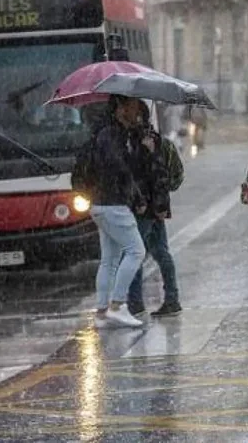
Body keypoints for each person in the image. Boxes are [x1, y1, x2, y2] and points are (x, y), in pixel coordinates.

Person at [88, 95, 147, 328]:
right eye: (134, 108)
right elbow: (121, 168)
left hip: (101, 203)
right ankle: (118, 305)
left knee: (110, 259)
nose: (138, 114)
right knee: (136, 251)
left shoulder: (106, 134)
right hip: (113, 204)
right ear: (121, 109)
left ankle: (102, 312)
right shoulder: (113, 135)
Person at [127, 101, 184, 318]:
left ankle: (135, 304)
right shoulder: (163, 143)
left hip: (143, 208)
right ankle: (172, 298)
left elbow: (144, 176)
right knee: (160, 252)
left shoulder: (138, 143)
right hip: (157, 207)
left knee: (135, 254)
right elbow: (176, 177)